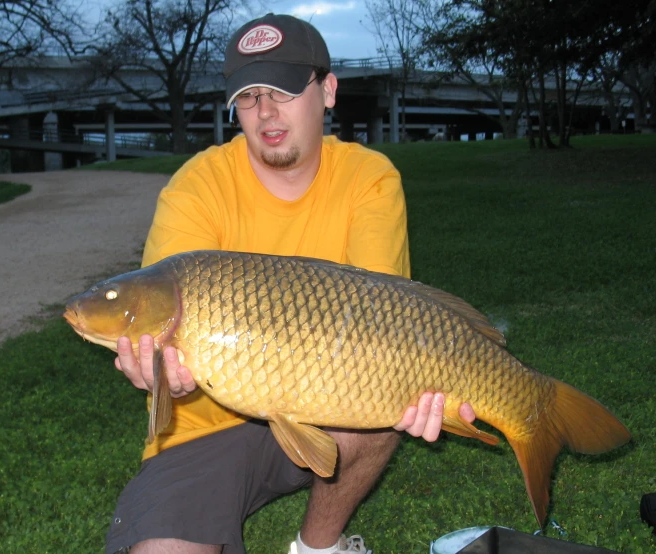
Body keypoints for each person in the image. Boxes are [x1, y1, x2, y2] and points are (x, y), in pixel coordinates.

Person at [106, 13, 474, 554]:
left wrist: (421, 385)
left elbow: (388, 322)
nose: (266, 112)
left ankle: (317, 546)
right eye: (249, 96)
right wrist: (160, 369)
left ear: (327, 91)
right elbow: (159, 307)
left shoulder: (369, 179)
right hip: (203, 425)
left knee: (380, 400)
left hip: (328, 408)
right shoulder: (197, 188)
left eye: (282, 90)